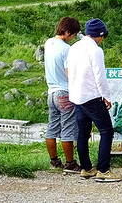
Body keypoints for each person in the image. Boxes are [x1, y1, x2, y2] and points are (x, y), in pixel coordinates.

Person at [67, 18, 121, 182]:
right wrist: (107, 97)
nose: (102, 40)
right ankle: (103, 170)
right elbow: (100, 77)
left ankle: (87, 168)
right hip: (91, 96)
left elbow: (69, 70)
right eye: (103, 36)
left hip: (76, 97)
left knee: (83, 134)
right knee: (106, 131)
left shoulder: (74, 47)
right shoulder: (95, 50)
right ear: (100, 34)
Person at [44, 16, 81, 173]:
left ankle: (54, 161)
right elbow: (69, 74)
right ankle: (70, 163)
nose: (72, 38)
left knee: (52, 127)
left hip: (51, 92)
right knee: (67, 129)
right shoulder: (67, 49)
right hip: (64, 92)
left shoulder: (48, 43)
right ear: (67, 32)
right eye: (72, 35)